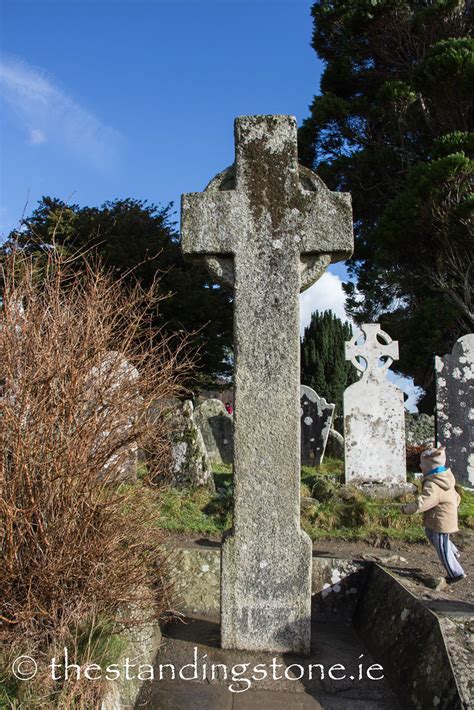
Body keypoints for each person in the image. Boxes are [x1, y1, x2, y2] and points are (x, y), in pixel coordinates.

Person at [402, 445, 465, 584]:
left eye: (422, 464)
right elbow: (456, 497)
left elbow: (423, 502)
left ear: (429, 466)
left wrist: (407, 509)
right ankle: (453, 552)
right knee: (430, 533)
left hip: (441, 521)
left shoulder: (433, 484)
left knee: (441, 546)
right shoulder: (445, 478)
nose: (420, 466)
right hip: (439, 518)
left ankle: (455, 573)